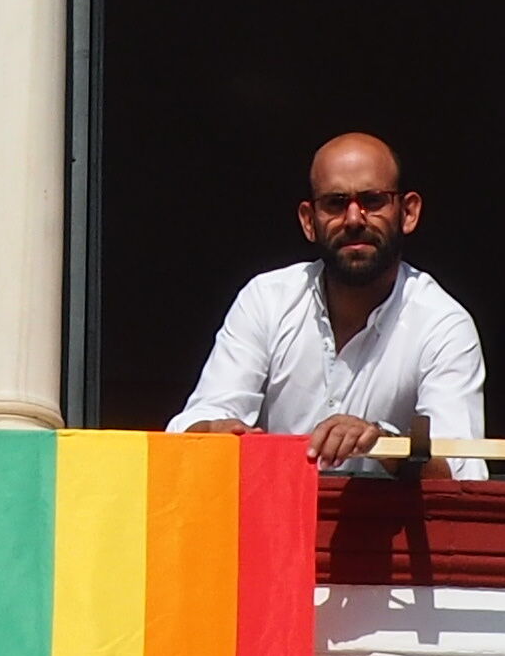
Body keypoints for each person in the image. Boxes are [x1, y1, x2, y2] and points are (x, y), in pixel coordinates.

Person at [176, 131, 487, 477]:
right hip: (273, 522)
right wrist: (213, 434)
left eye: (373, 200)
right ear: (309, 221)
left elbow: (462, 476)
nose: (354, 219)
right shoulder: (266, 300)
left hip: (381, 529)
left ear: (408, 213)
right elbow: (192, 426)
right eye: (336, 204)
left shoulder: (443, 324)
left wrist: (384, 443)